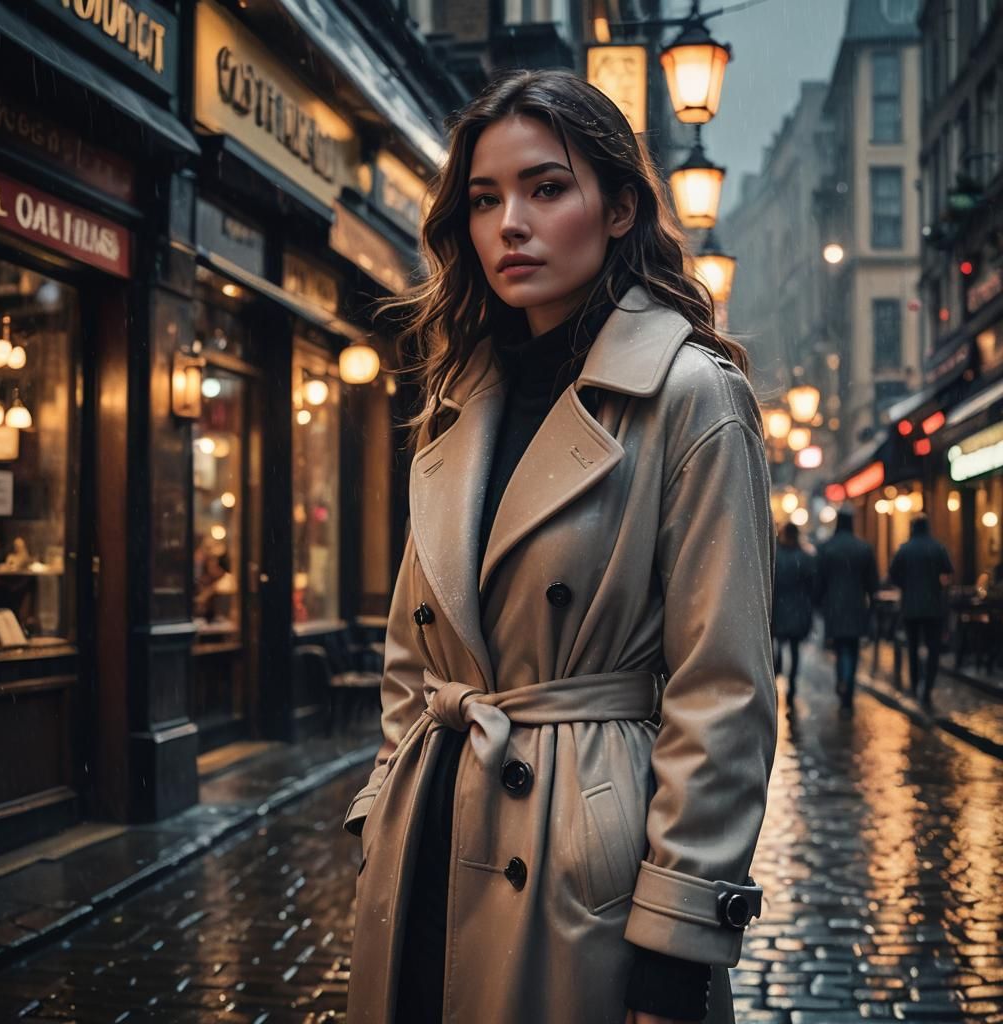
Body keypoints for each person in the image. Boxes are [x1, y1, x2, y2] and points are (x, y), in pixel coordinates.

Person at [342, 70, 777, 1024]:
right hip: (427, 852)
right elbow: (414, 659)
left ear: (621, 207)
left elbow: (723, 694)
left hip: (581, 866)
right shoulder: (458, 399)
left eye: (547, 188)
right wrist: (385, 811)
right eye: (486, 199)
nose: (510, 224)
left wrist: (676, 945)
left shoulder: (691, 396)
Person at [815, 508, 878, 714]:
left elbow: (819, 581)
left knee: (841, 649)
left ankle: (843, 684)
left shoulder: (826, 548)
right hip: (856, 606)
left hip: (834, 606)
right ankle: (847, 690)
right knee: (851, 649)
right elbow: (872, 583)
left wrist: (820, 602)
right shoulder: (863, 548)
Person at [889, 514, 953, 706]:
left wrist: (906, 586)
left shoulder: (905, 549)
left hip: (911, 607)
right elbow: (948, 572)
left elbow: (893, 574)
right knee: (933, 649)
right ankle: (928, 688)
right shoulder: (937, 548)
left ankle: (916, 684)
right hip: (933, 606)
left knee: (913, 647)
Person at [771, 521, 816, 704]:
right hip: (798, 609)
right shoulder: (803, 557)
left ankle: (776, 674)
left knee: (778, 645)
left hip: (779, 609)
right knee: (795, 649)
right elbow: (812, 585)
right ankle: (792, 685)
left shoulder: (776, 557)